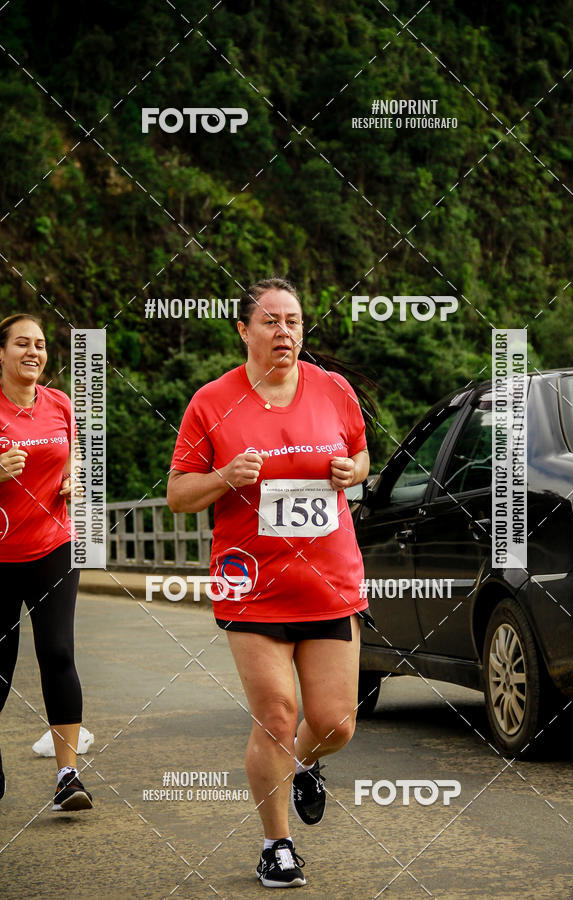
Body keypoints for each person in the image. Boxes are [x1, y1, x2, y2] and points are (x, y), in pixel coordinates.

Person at [168, 278, 371, 888]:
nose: (285, 333)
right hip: (250, 582)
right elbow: (178, 495)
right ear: (243, 330)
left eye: (294, 322)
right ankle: (275, 845)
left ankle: (303, 766)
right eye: (271, 322)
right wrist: (226, 476)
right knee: (277, 717)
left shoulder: (333, 390)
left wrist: (350, 470)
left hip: (328, 581)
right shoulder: (211, 401)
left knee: (335, 723)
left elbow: (362, 458)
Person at [0, 313, 92, 811]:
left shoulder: (60, 404)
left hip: (53, 547)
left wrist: (72, 479)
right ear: (1, 353)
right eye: (21, 343)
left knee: (58, 654)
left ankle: (67, 775)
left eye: (39, 344)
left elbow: (73, 458)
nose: (33, 352)